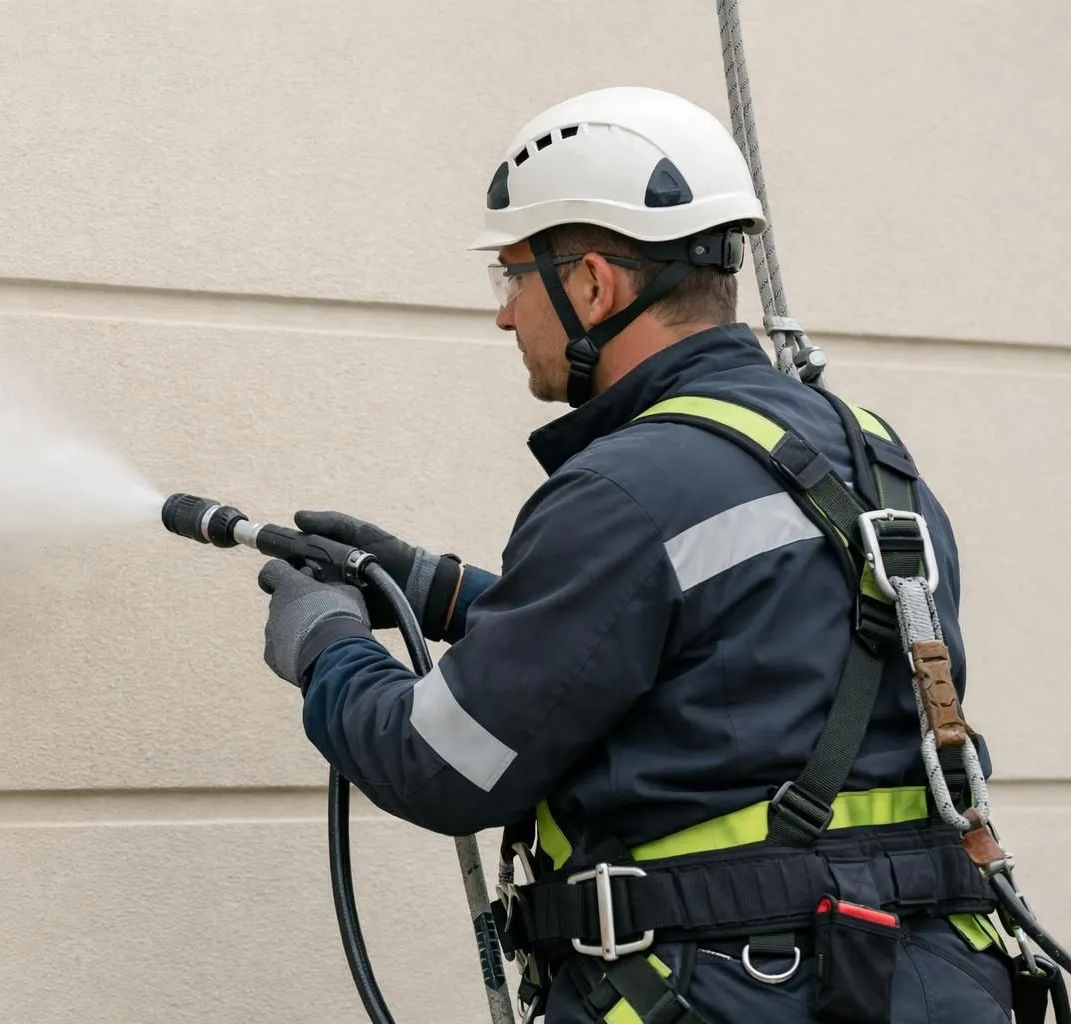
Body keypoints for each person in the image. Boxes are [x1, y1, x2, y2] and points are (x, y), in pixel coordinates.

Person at [252, 86, 1016, 1022]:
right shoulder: (869, 456)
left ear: (592, 285)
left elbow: (443, 764)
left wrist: (328, 649)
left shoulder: (626, 491)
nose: (504, 317)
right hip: (928, 983)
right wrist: (444, 595)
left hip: (730, 994)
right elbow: (724, 663)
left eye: (514, 277)